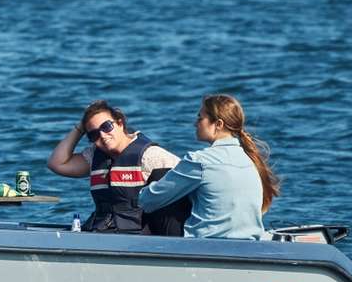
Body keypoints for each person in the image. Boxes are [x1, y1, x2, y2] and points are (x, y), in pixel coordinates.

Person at [139, 94, 280, 240]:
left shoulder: (200, 161)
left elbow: (147, 201)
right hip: (248, 244)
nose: (195, 123)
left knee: (160, 175)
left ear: (218, 124)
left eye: (200, 118)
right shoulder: (250, 161)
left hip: (206, 245)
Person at [45, 100, 188, 235]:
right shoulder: (94, 155)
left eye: (106, 126)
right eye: (93, 134)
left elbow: (190, 181)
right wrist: (80, 128)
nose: (102, 135)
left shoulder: (150, 156)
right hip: (102, 232)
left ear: (120, 123)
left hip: (139, 237)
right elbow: (57, 164)